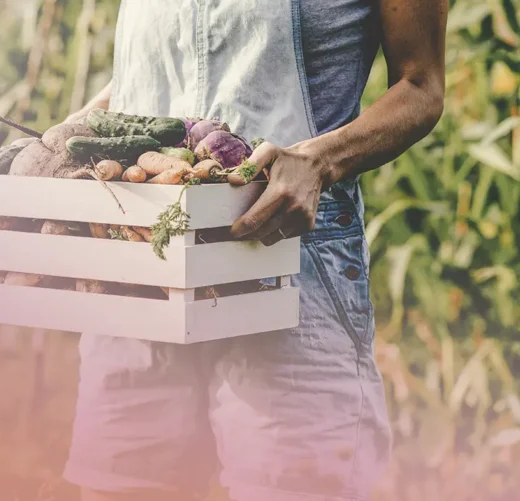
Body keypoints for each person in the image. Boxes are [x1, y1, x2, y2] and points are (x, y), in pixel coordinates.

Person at [57, 1, 447, 500]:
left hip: (289, 269)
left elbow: (421, 88)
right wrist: (70, 136)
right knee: (123, 483)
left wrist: (318, 161)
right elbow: (152, 71)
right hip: (142, 266)